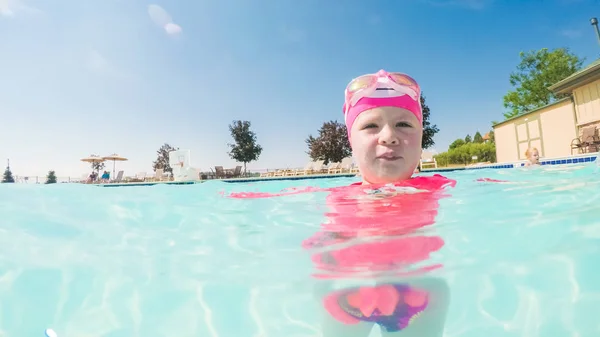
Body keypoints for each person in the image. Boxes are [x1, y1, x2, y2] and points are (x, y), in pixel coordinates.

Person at [229, 70, 456, 336]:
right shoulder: (339, 194)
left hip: (418, 295)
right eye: (371, 126)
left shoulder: (439, 185)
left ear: (420, 137)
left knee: (438, 287)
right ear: (351, 140)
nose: (389, 136)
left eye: (404, 125)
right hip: (349, 291)